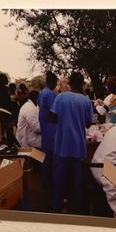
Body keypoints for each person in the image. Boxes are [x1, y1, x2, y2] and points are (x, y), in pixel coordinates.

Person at [50, 72, 93, 214]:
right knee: (78, 178)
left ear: (69, 83)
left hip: (61, 143)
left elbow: (53, 117)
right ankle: (78, 207)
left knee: (59, 176)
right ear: (82, 84)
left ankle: (57, 205)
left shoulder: (60, 97)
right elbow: (88, 123)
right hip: (78, 145)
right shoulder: (86, 101)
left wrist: (65, 121)